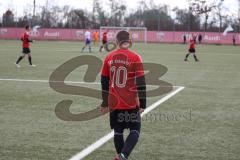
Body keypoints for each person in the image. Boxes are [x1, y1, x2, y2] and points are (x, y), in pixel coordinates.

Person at [100, 30, 146, 160]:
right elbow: (141, 82)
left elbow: (104, 82)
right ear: (130, 41)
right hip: (130, 102)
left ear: (116, 41)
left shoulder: (108, 57)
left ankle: (121, 156)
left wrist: (104, 103)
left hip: (114, 103)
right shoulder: (135, 57)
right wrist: (143, 103)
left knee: (118, 131)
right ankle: (123, 155)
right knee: (135, 129)